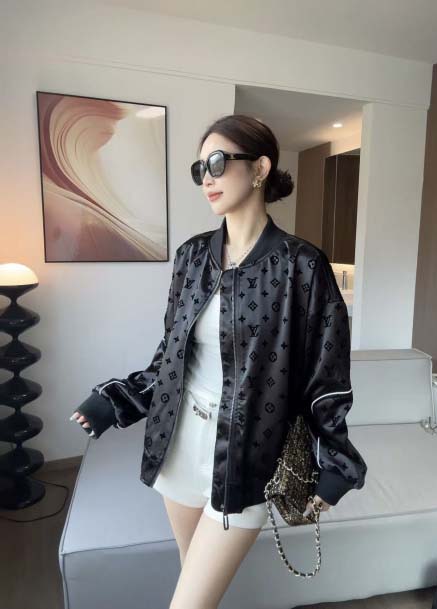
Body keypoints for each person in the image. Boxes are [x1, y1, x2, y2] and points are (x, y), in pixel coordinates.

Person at [70, 114, 367, 609]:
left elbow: (327, 376)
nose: (206, 178)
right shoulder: (191, 257)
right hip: (178, 446)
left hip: (247, 458)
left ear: (260, 168)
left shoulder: (301, 265)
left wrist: (334, 463)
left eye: (217, 162)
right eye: (199, 168)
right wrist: (116, 400)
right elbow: (170, 358)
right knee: (196, 587)